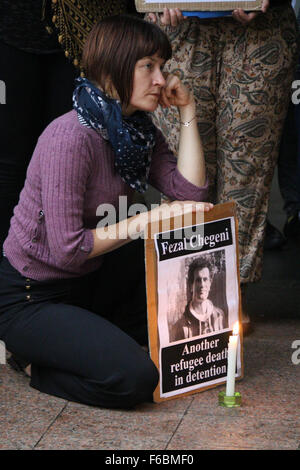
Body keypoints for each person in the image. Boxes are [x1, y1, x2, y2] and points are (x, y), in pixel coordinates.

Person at [0, 15, 213, 409]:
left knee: (178, 347)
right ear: (114, 69)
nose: (161, 79)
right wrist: (144, 221)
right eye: (147, 66)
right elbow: (66, 250)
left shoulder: (136, 131)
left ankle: (92, 336)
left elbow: (192, 193)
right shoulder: (71, 137)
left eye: (161, 66)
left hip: (90, 282)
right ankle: (31, 363)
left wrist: (188, 111)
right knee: (135, 379)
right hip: (34, 297)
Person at [146, 2, 299, 323]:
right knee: (183, 174)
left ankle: (232, 298)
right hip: (178, 29)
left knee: (247, 170)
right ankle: (179, 301)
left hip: (261, 31)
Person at [0, 0, 129, 262]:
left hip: (91, 30)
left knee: (84, 160)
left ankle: (73, 271)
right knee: (9, 166)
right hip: (11, 27)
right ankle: (11, 273)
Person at [170, 258, 225, 342]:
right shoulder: (180, 327)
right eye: (198, 280)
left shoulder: (219, 315)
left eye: (205, 279)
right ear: (191, 285)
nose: (202, 285)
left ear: (210, 283)